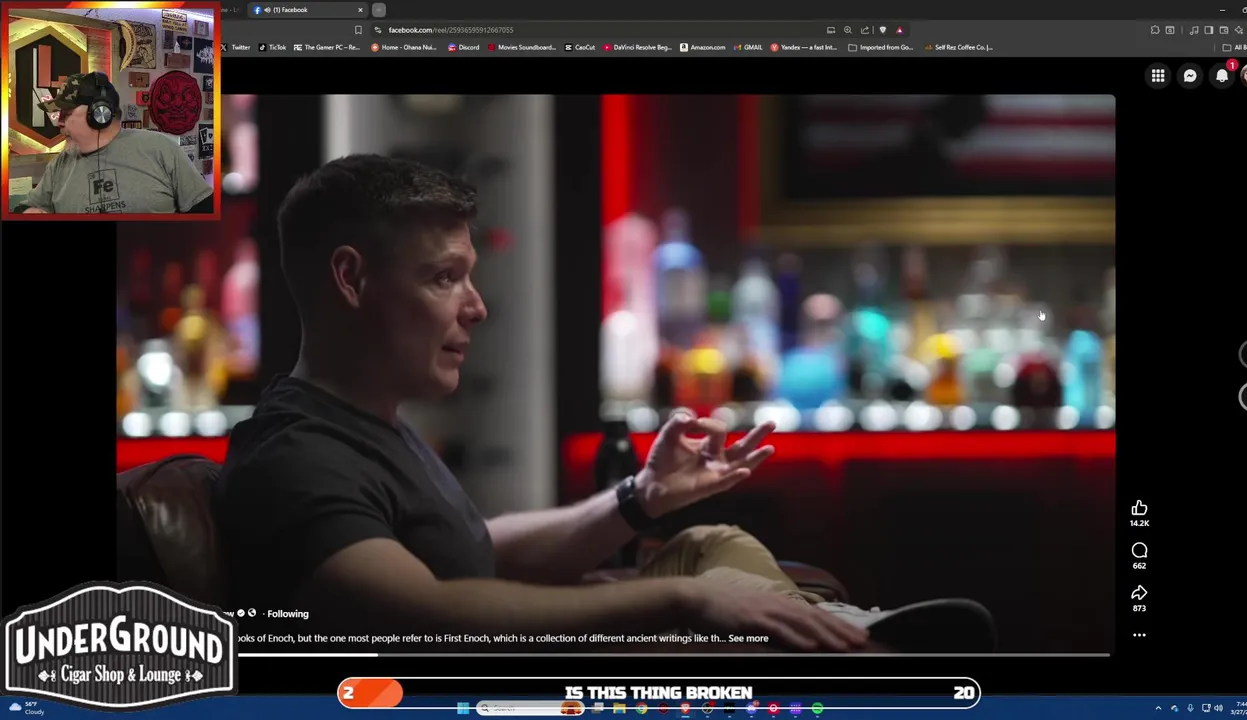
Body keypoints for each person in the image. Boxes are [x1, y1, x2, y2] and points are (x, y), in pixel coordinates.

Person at [215, 155, 994, 653]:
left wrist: (638, 498)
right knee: (697, 583)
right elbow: (424, 613)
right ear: (351, 280)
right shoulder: (296, 457)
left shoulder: (368, 427)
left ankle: (844, 637)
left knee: (710, 542)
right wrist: (681, 602)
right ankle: (860, 652)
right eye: (445, 277)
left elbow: (479, 548)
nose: (477, 307)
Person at [19, 72, 213, 214]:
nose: (59, 122)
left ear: (99, 114)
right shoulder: (59, 165)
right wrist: (29, 212)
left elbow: (205, 208)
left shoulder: (161, 149)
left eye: (66, 114)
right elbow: (25, 207)